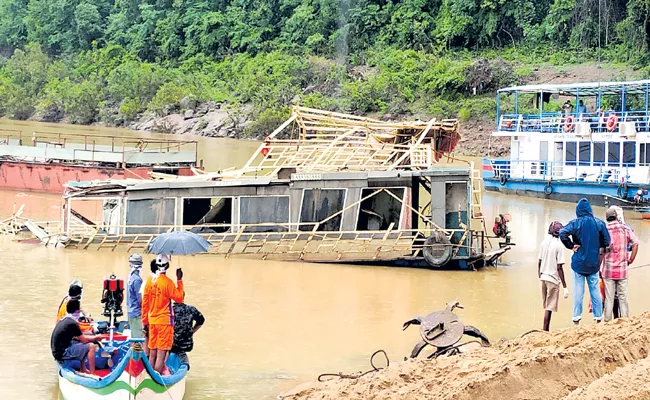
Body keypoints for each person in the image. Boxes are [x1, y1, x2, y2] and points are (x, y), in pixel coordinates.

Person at [559, 198, 610, 325]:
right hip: (593, 263)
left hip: (578, 264)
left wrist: (571, 245)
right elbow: (607, 241)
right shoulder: (599, 223)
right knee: (595, 292)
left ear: (578, 210)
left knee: (578, 292)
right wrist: (599, 246)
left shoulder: (575, 223)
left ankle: (576, 319)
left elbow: (562, 232)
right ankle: (598, 318)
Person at [142, 254, 184, 375]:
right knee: (160, 355)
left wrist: (145, 323)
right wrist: (179, 280)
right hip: (165, 322)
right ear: (167, 265)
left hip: (152, 322)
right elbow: (180, 298)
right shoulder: (168, 283)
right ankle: (156, 381)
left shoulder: (149, 282)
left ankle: (148, 378)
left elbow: (145, 304)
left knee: (152, 354)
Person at [601, 206, 639, 322]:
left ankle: (607, 322)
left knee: (609, 298)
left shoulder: (604, 230)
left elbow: (600, 251)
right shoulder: (625, 229)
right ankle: (625, 322)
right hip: (622, 270)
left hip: (608, 271)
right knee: (623, 297)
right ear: (617, 217)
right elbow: (635, 243)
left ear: (607, 218)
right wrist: (630, 260)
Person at [51, 299, 102, 375]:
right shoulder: (72, 323)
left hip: (57, 350)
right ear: (78, 311)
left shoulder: (64, 319)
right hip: (62, 353)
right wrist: (95, 338)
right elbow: (84, 340)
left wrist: (93, 338)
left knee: (81, 343)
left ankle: (83, 368)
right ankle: (92, 374)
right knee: (91, 346)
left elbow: (78, 337)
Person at [538, 221, 569, 331]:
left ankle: (545, 329)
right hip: (552, 279)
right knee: (549, 307)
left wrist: (540, 275)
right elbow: (559, 267)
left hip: (544, 278)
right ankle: (545, 330)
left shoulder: (543, 243)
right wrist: (565, 286)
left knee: (546, 305)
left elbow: (539, 262)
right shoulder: (559, 246)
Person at [171, 298, 205, 368]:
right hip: (186, 344)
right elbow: (201, 320)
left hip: (170, 344)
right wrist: (191, 332)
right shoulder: (191, 309)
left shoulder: (168, 310)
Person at [126, 253, 144, 338]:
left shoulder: (131, 277)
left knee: (134, 336)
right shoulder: (137, 280)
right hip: (136, 313)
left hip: (131, 311)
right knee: (138, 338)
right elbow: (140, 299)